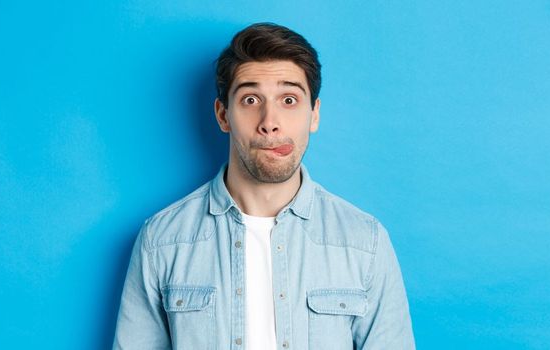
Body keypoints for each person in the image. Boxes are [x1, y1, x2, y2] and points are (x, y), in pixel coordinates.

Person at [113, 22, 415, 350]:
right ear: (223, 115)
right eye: (251, 99)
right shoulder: (162, 241)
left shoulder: (364, 243)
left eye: (288, 99)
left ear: (314, 115)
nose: (269, 122)